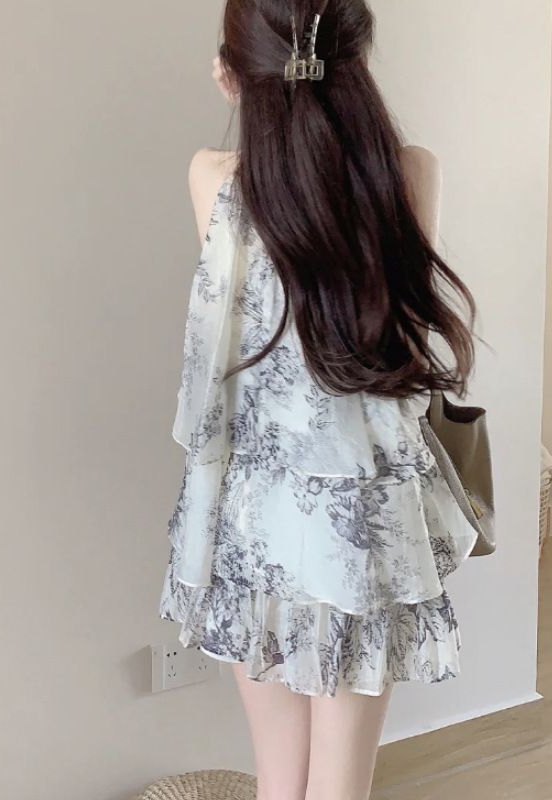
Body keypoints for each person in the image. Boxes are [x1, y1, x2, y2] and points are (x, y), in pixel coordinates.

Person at [158, 2, 481, 799]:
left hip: (253, 516)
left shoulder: (214, 180)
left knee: (280, 779)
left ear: (233, 73)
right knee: (340, 785)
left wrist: (250, 88)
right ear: (358, 59)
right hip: (364, 520)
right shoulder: (410, 175)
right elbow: (397, 348)